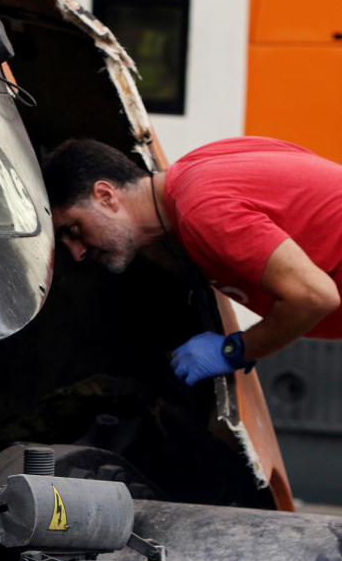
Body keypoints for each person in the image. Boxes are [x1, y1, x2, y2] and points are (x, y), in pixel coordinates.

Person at [43, 136, 342, 385]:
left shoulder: (203, 210)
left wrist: (235, 350)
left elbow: (315, 296)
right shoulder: (197, 169)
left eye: (74, 229)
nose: (78, 252)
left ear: (105, 195)